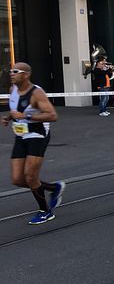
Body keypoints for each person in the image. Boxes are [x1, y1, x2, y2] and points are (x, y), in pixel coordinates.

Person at [4, 62, 64, 225]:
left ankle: (45, 211)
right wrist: (10, 117)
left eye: (15, 71)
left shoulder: (36, 93)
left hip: (38, 134)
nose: (11, 73)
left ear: (26, 74)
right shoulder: (12, 90)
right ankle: (54, 188)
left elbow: (52, 115)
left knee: (30, 176)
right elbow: (16, 109)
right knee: (17, 179)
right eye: (10, 71)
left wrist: (25, 117)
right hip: (21, 135)